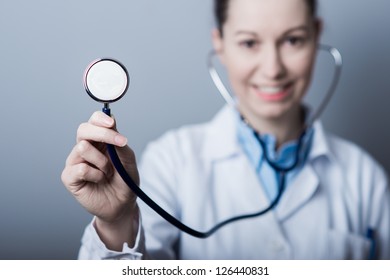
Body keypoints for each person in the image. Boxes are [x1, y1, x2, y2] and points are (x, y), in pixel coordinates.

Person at [61, 0, 390, 259]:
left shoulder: (364, 179)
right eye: (249, 43)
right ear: (220, 44)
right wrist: (116, 222)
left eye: (293, 40)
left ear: (317, 35)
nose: (273, 68)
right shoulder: (171, 162)